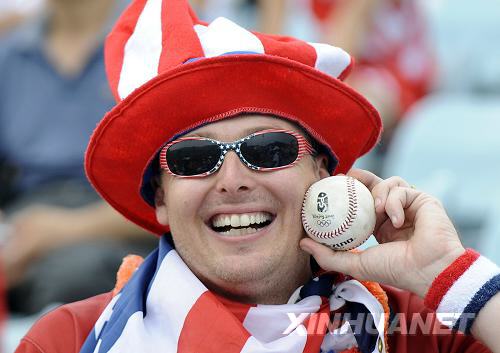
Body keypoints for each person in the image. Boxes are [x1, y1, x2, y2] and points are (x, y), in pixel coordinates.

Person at [14, 0, 499, 352]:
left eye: (268, 149)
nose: (232, 179)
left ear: (324, 174)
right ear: (160, 197)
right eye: (193, 159)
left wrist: (447, 272)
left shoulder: (423, 330)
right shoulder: (68, 339)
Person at [0, 0, 154, 315]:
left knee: (72, 278)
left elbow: (180, 184)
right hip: (27, 216)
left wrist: (64, 229)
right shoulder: (11, 55)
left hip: (123, 217)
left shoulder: (151, 40)